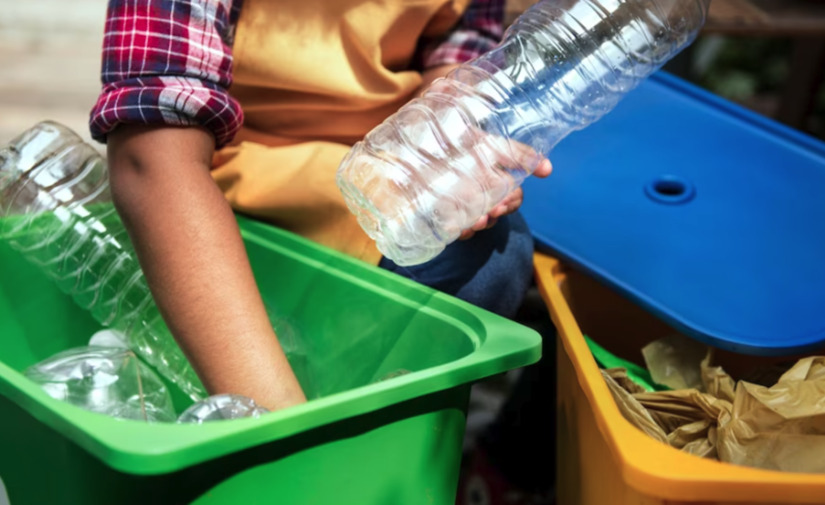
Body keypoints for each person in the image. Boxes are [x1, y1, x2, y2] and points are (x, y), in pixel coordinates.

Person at [89, 0, 550, 412]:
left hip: (377, 163)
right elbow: (150, 156)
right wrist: (278, 425)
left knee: (491, 254)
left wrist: (452, 144)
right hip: (230, 176)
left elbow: (453, 56)